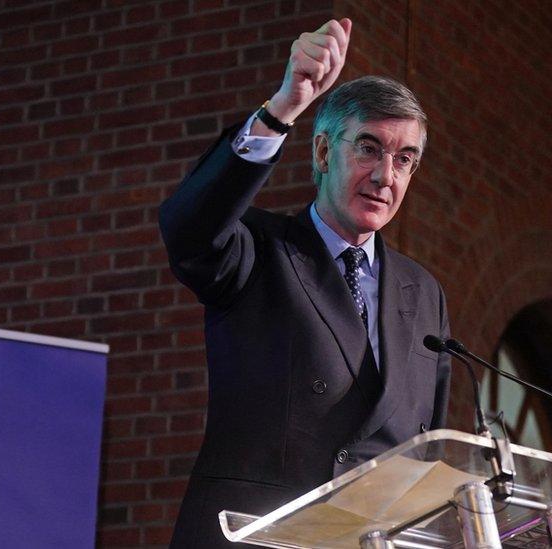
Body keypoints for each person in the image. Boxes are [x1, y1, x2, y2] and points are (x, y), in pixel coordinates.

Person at [159, 18, 452, 548]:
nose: (387, 177)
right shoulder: (257, 248)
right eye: (369, 149)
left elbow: (425, 450)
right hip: (259, 538)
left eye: (404, 159)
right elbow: (188, 229)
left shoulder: (423, 290)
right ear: (321, 153)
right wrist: (282, 108)